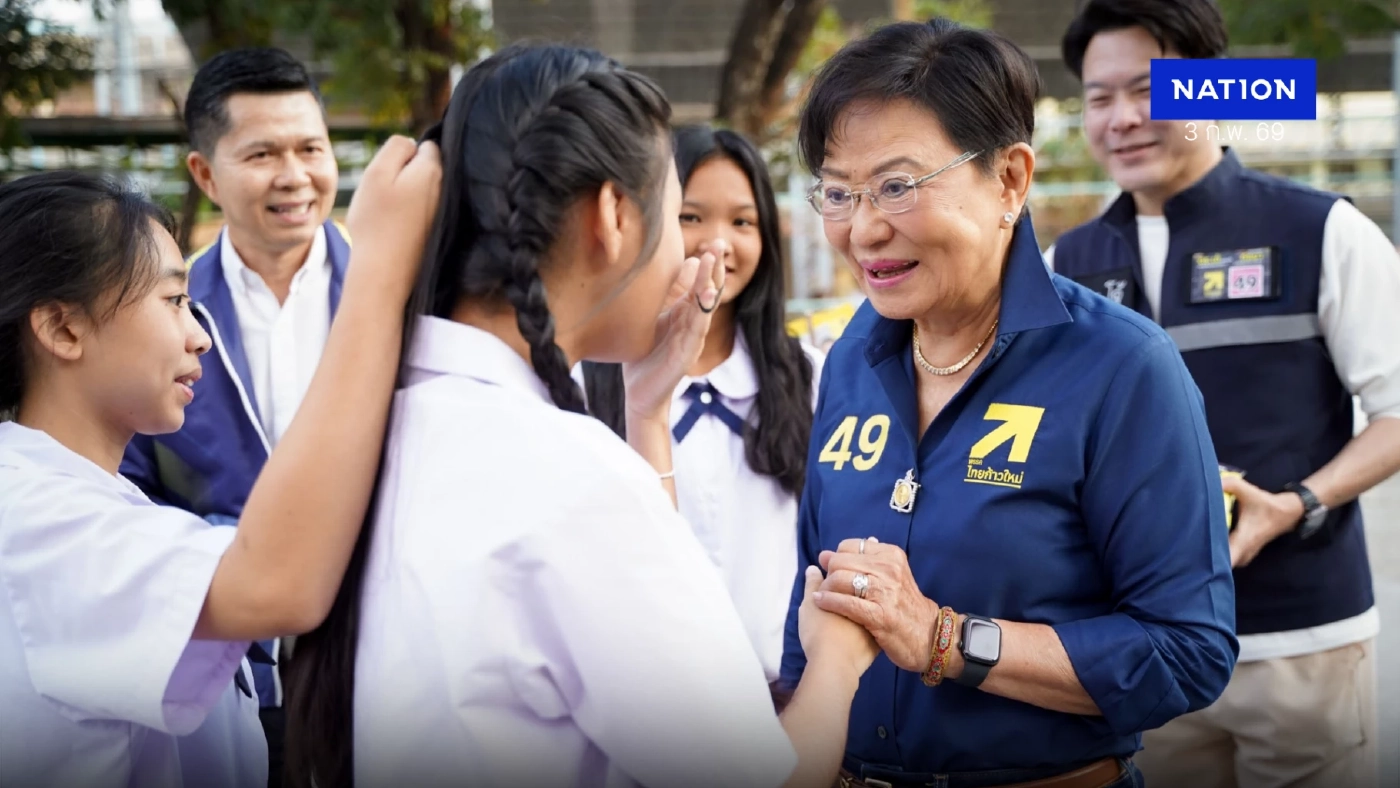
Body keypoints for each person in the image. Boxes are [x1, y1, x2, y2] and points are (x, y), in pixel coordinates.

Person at [284, 44, 877, 788]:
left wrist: (647, 412)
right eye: (678, 214)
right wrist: (840, 658)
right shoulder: (568, 472)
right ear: (613, 215)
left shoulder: (396, 425)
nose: (700, 256)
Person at [777, 17, 1239, 788]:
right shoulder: (851, 358)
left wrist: (944, 639)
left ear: (1011, 180)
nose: (864, 228)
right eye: (838, 192)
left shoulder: (1122, 369)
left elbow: (1186, 653)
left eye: (898, 185)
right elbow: (813, 614)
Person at [0, 138, 439, 788]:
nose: (197, 333)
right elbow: (280, 586)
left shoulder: (84, 497)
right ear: (63, 330)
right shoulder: (31, 512)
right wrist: (379, 275)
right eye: (172, 301)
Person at [1049, 2, 1400, 786]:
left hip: (1302, 642)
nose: (1124, 118)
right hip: (1145, 653)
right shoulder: (1064, 263)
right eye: (1100, 97)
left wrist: (1300, 502)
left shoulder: (1322, 229)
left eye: (1149, 88)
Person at [119, 46, 345, 775]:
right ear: (205, 174)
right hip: (233, 678)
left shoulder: (400, 297)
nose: (295, 175)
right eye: (263, 153)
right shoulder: (154, 316)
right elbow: (124, 487)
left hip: (383, 659)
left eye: (311, 147)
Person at [581, 125, 823, 683]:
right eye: (691, 217)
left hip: (787, 694)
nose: (718, 242)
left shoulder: (809, 376)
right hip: (651, 699)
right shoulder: (587, 380)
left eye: (742, 221)